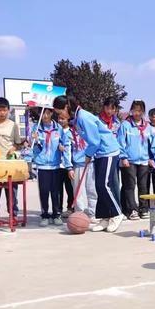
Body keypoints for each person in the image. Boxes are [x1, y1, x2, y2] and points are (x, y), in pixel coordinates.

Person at [53, 95, 124, 233]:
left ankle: (117, 214)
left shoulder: (84, 117)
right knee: (99, 186)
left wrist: (88, 154)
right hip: (99, 153)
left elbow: (95, 141)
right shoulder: (77, 118)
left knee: (103, 185)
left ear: (67, 107)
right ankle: (104, 217)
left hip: (108, 151)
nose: (60, 115)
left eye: (60, 112)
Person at [31, 108, 71, 227]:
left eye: (48, 113)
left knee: (56, 192)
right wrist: (36, 141)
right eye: (43, 113)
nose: (45, 116)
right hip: (42, 166)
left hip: (55, 165)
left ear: (52, 113)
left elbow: (66, 143)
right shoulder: (36, 128)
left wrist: (63, 147)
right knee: (43, 191)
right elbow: (33, 148)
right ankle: (44, 215)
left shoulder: (58, 128)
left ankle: (56, 214)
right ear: (40, 114)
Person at [118, 100, 153, 220]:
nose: (137, 113)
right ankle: (131, 209)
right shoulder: (125, 125)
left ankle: (143, 209)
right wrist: (123, 157)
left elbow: (151, 144)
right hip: (130, 161)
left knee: (143, 186)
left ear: (143, 112)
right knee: (129, 186)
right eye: (134, 110)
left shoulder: (148, 127)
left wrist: (151, 158)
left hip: (144, 161)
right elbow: (120, 142)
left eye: (139, 110)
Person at [65, 114, 97, 221]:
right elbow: (67, 152)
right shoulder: (69, 135)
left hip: (90, 163)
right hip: (78, 165)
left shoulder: (88, 133)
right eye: (75, 125)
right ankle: (80, 214)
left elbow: (95, 144)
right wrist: (69, 167)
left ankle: (92, 213)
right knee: (78, 192)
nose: (77, 127)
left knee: (92, 190)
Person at [0, 97, 21, 221]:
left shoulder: (13, 126)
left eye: (4, 110)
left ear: (8, 110)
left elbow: (18, 143)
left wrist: (14, 148)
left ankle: (13, 215)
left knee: (12, 192)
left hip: (9, 163)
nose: (1, 113)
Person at [99, 97, 121, 207]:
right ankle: (105, 208)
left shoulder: (117, 122)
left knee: (115, 182)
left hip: (114, 155)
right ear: (104, 107)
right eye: (107, 108)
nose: (109, 111)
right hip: (101, 156)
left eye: (112, 109)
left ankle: (117, 208)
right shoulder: (97, 121)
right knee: (102, 184)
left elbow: (120, 139)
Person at [57, 115, 75, 217]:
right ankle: (58, 209)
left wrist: (66, 149)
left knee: (70, 188)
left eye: (63, 119)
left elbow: (75, 147)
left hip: (69, 166)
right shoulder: (56, 131)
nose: (60, 121)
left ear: (68, 120)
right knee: (58, 189)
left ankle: (70, 208)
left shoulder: (72, 132)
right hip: (57, 165)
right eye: (59, 118)